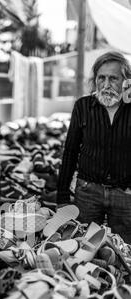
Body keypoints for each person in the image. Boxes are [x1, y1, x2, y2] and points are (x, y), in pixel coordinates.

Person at [57, 51, 131, 243]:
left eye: (113, 78)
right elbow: (71, 152)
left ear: (126, 81)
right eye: (101, 78)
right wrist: (62, 196)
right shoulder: (83, 107)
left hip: (125, 195)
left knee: (124, 252)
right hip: (88, 192)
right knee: (83, 246)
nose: (106, 85)